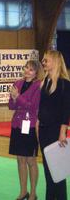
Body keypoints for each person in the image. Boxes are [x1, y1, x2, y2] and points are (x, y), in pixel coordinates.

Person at [8, 60, 44, 200]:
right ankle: (23, 191)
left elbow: (33, 106)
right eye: (26, 68)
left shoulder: (38, 86)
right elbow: (11, 106)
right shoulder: (17, 83)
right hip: (17, 125)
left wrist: (18, 97)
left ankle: (33, 193)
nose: (27, 71)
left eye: (31, 69)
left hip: (30, 126)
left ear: (36, 72)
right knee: (20, 160)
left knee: (31, 161)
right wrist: (13, 98)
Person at [38, 50, 70, 200]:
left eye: (46, 60)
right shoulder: (45, 82)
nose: (43, 63)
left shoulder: (64, 84)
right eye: (43, 60)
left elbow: (66, 110)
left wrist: (63, 131)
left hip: (56, 131)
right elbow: (41, 107)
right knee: (47, 170)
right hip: (44, 130)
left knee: (57, 172)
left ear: (55, 62)